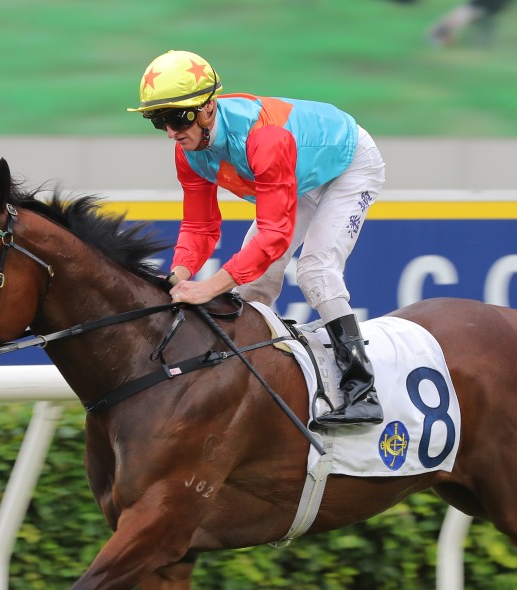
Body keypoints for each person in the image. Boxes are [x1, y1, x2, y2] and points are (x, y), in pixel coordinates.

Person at [127, 50, 385, 429]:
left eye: (175, 118)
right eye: (157, 121)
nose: (170, 132)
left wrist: (210, 287)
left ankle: (363, 391)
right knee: (253, 286)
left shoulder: (264, 138)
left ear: (208, 108)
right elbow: (200, 226)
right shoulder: (188, 152)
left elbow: (274, 236)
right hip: (299, 172)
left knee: (315, 271)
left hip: (348, 164)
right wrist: (178, 276)